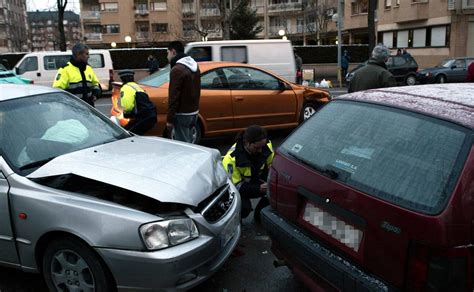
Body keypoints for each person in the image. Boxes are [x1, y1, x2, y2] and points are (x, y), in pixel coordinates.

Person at [222, 125, 274, 222]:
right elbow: (236, 187)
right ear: (247, 143)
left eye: (262, 147)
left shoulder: (266, 145)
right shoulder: (230, 160)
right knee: (243, 208)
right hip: (240, 189)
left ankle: (260, 217)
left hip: (257, 180)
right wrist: (259, 188)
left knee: (275, 191)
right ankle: (235, 222)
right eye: (257, 148)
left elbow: (271, 165)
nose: (260, 151)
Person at [166, 40, 201, 143]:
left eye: (167, 53)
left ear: (173, 52)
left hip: (182, 114)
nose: (166, 56)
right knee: (190, 142)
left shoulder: (177, 70)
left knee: (183, 146)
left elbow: (174, 96)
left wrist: (169, 119)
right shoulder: (194, 66)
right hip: (193, 112)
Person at [117, 69, 157, 135]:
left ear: (122, 79)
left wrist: (126, 113)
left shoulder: (126, 87)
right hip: (149, 115)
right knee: (133, 133)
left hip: (143, 117)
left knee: (127, 135)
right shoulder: (136, 86)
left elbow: (128, 106)